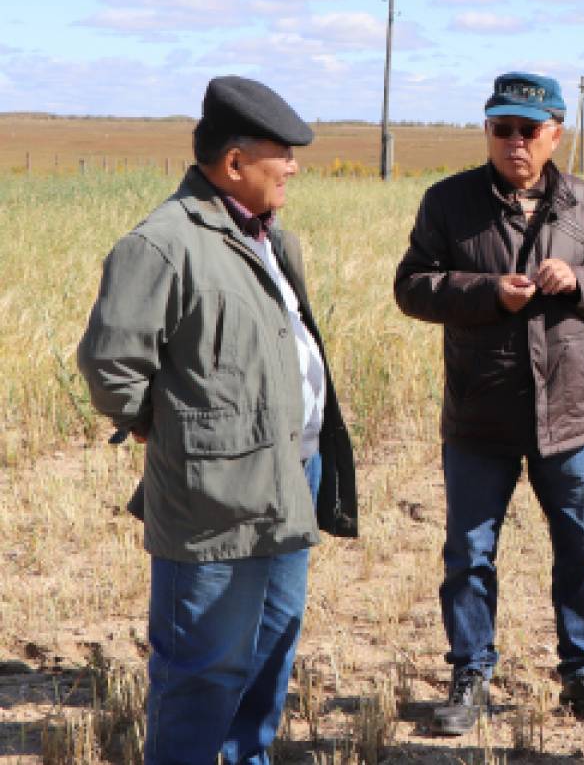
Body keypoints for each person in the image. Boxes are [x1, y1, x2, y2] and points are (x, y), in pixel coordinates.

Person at [76, 75, 358, 764]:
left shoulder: (270, 239)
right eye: (281, 153)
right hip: (212, 496)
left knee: (267, 657)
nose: (293, 166)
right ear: (235, 163)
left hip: (291, 476)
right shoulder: (163, 243)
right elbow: (110, 364)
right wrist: (166, 427)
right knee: (202, 670)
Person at [394, 72, 584, 735]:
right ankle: (470, 671)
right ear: (487, 131)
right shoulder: (449, 202)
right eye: (502, 129)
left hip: (569, 415)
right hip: (480, 415)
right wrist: (489, 292)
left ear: (556, 132)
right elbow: (412, 286)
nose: (515, 142)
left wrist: (576, 279)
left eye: (529, 130)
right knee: (469, 554)